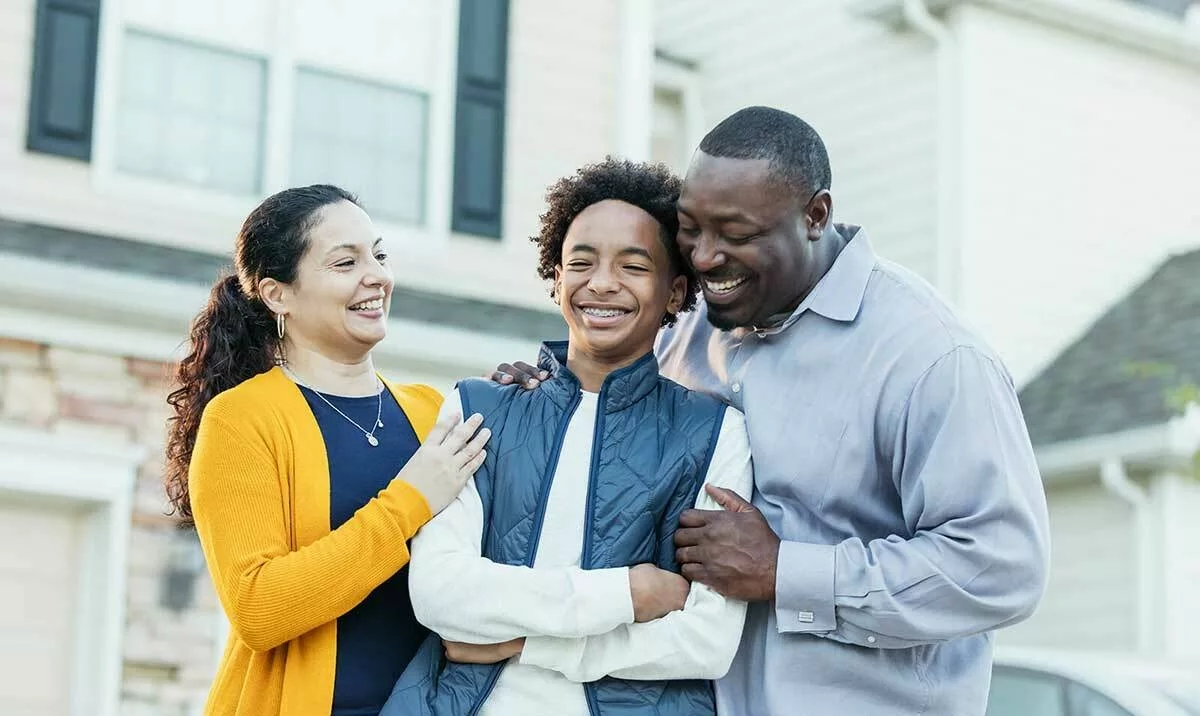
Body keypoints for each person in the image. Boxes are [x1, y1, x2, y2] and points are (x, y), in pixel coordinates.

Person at [492, 107, 1051, 716]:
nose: (704, 258)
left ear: (815, 216)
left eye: (735, 233)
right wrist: (548, 397)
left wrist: (786, 571)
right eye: (691, 229)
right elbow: (613, 424)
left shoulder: (932, 357)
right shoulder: (690, 327)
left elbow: (1001, 565)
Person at [381, 158, 753, 716]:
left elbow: (707, 641)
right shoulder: (478, 407)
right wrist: (627, 593)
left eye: (633, 266)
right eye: (581, 262)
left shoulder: (713, 432)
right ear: (556, 279)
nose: (601, 283)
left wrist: (525, 642)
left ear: (675, 292)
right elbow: (439, 592)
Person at [163, 184, 490, 716]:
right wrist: (408, 502)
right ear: (277, 294)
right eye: (345, 262)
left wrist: (526, 406)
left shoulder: (434, 411)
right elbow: (258, 607)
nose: (377, 276)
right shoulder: (243, 419)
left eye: (379, 255)